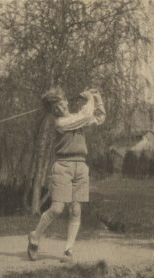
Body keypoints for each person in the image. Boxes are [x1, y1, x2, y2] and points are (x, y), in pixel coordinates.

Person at [27, 86, 106, 262]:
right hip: (63, 166)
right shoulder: (60, 123)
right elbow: (85, 116)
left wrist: (97, 97)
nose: (59, 108)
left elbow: (99, 117)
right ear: (51, 111)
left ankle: (68, 251)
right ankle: (35, 235)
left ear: (65, 100)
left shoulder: (77, 118)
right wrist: (89, 99)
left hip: (81, 166)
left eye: (60, 102)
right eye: (53, 107)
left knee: (76, 209)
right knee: (57, 208)